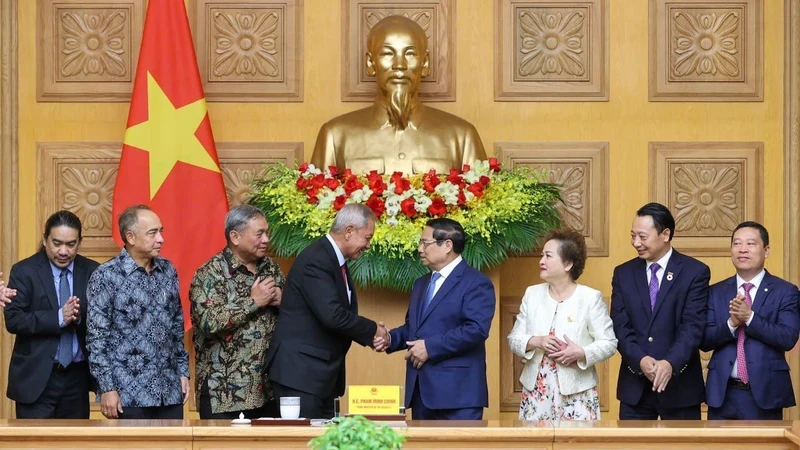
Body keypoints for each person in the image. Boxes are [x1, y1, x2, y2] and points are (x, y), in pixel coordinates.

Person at [310, 15, 486, 175]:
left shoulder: (462, 137)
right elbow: (316, 207)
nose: (399, 65)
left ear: (425, 63)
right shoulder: (335, 135)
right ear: (370, 63)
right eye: (387, 53)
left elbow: (483, 207)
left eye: (410, 54)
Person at [266, 204, 389, 419]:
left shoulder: (332, 259)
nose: (368, 245)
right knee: (304, 444)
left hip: (319, 376)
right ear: (349, 231)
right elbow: (333, 315)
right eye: (367, 238)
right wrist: (373, 331)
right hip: (300, 376)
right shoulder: (317, 260)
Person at [377, 218, 495, 420]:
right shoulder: (421, 283)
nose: (420, 249)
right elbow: (413, 328)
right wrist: (390, 338)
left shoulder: (476, 282)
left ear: (447, 245)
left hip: (458, 396)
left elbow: (476, 329)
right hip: (421, 393)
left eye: (425, 243)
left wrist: (430, 347)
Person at [86, 204, 190, 419]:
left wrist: (183, 372)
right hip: (127, 394)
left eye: (161, 231)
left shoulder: (168, 270)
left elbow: (176, 327)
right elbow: (97, 338)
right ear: (131, 237)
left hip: (169, 392)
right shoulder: (105, 276)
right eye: (153, 233)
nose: (161, 239)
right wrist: (107, 388)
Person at [610, 202, 709, 420]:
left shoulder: (695, 272)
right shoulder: (623, 274)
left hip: (680, 389)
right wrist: (641, 360)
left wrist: (669, 363)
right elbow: (619, 325)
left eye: (643, 237)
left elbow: (693, 326)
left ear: (665, 234)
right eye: (633, 235)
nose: (636, 243)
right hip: (635, 389)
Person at [507, 229, 617, 420]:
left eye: (548, 256)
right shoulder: (532, 294)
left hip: (578, 391)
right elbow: (514, 339)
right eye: (542, 255)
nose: (541, 261)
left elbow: (609, 343)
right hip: (536, 390)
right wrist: (536, 341)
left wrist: (581, 353)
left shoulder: (590, 298)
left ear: (568, 264)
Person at [190, 205, 285, 419]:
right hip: (225, 392)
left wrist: (284, 301)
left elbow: (298, 314)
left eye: (267, 233)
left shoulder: (271, 268)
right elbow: (208, 322)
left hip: (269, 390)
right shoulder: (210, 273)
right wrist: (253, 301)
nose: (266, 239)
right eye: (259, 233)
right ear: (235, 236)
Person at [3, 210, 98, 418]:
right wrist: (58, 318)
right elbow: (14, 319)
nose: (63, 251)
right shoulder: (24, 271)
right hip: (36, 379)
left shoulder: (93, 271)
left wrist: (78, 316)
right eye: (57, 243)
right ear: (45, 240)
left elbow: (104, 323)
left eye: (71, 244)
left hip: (77, 379)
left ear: (79, 242)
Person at [701, 221, 800, 420]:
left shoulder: (785, 291)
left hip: (765, 393)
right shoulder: (715, 291)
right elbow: (704, 340)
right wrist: (731, 324)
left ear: (766, 250)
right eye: (737, 244)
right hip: (722, 393)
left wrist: (750, 318)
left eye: (751, 244)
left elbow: (788, 338)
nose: (742, 249)